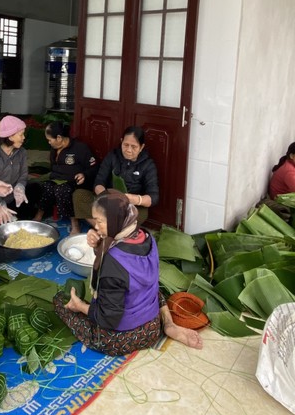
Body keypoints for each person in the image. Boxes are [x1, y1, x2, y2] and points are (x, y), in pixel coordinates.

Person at [54, 190, 203, 356]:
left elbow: (108, 318)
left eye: (100, 221)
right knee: (150, 288)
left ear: (115, 221)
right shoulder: (146, 236)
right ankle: (168, 324)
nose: (95, 226)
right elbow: (119, 253)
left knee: (60, 301)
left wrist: (80, 306)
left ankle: (74, 307)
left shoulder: (112, 262)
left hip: (122, 339)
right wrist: (99, 244)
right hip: (153, 327)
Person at [73, 126, 159, 225]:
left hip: (131, 205)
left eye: (134, 147)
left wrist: (135, 199)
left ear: (141, 147)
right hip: (108, 200)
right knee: (79, 196)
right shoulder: (112, 156)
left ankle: (107, 229)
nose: (129, 150)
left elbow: (153, 197)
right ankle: (101, 228)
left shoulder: (148, 164)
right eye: (126, 145)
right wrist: (108, 197)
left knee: (141, 214)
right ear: (121, 141)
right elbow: (99, 182)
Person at [33, 121, 98, 234]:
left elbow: (95, 167)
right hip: (57, 179)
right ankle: (39, 216)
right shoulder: (54, 149)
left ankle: (75, 224)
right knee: (47, 186)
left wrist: (84, 175)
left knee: (62, 190)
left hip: (75, 182)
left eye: (49, 140)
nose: (48, 142)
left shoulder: (80, 148)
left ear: (59, 138)